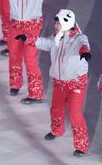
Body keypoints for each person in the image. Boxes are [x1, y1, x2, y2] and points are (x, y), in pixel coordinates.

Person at [23, 9, 90, 156]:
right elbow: (46, 44)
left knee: (74, 113)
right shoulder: (57, 37)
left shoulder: (79, 38)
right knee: (56, 109)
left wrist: (84, 52)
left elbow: (83, 45)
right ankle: (56, 130)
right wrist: (29, 39)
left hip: (76, 83)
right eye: (56, 23)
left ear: (67, 23)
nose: (56, 26)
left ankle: (81, 145)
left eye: (59, 23)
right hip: (59, 82)